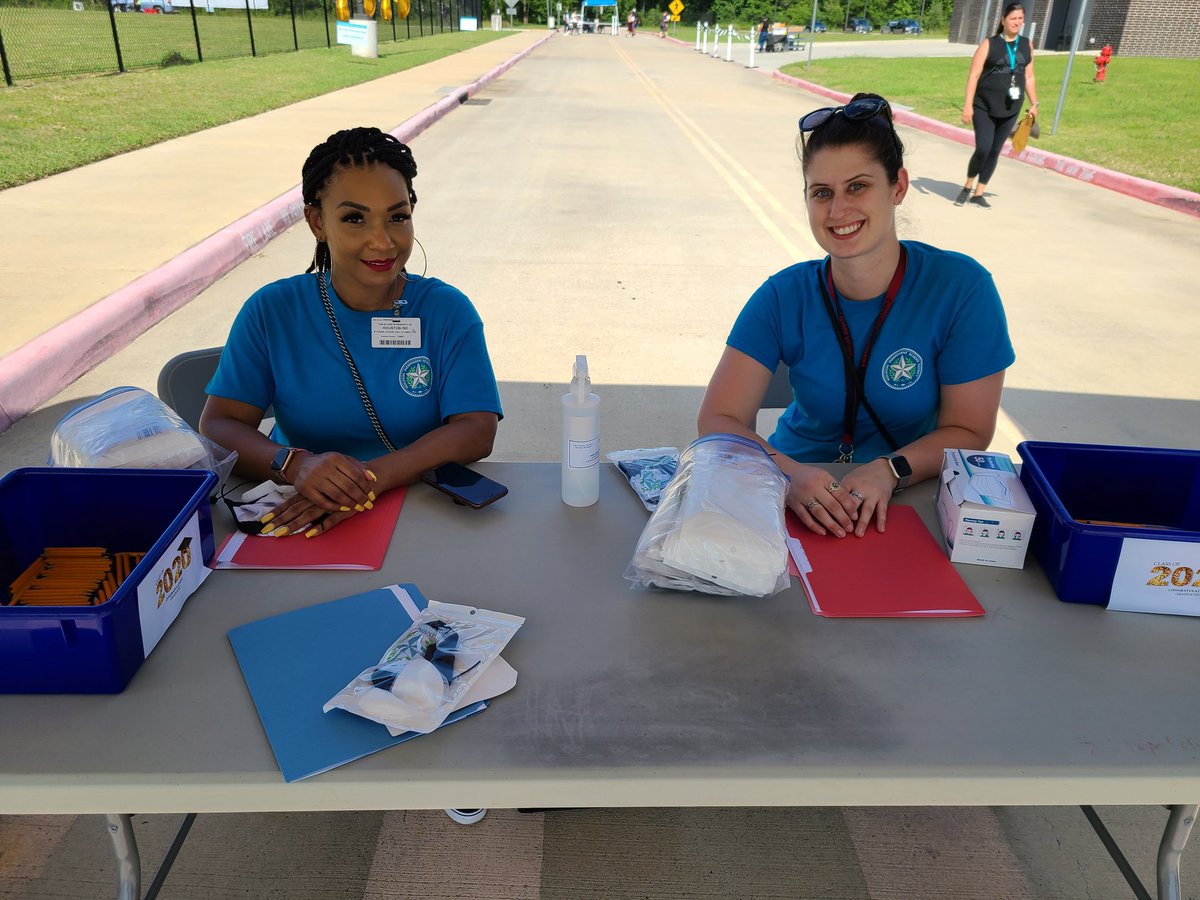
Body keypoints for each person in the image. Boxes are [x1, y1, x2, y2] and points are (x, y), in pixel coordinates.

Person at [697, 93, 1015, 538]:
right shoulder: (782, 295)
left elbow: (969, 429)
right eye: (821, 193)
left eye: (858, 187)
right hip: (792, 491)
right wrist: (786, 474)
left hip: (908, 494)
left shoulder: (960, 288)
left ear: (898, 187)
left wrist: (889, 469)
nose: (837, 210)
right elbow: (718, 420)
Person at [200, 127, 503, 541]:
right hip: (301, 510)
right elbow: (220, 424)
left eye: (397, 216)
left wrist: (371, 478)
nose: (382, 241)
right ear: (317, 221)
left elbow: (476, 428)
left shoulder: (447, 311)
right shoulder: (272, 311)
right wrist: (295, 464)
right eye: (354, 218)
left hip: (425, 510)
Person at [956, 1, 1039, 209]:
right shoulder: (989, 44)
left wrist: (1034, 103)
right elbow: (974, 75)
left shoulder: (1026, 44)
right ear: (1003, 20)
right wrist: (968, 105)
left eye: (1020, 19)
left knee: (994, 150)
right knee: (983, 148)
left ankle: (979, 193)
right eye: (1013, 18)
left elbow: (1028, 76)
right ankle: (967, 186)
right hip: (983, 105)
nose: (1017, 22)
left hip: (1011, 108)